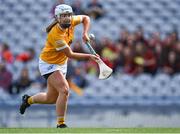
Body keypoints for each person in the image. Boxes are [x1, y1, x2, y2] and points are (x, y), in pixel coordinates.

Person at [19, 4, 99, 128]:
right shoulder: (55, 35)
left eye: (68, 15)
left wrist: (85, 33)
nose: (67, 18)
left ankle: (28, 100)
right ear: (57, 18)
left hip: (62, 63)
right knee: (65, 90)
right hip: (49, 64)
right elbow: (70, 54)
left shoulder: (71, 21)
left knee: (50, 99)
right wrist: (89, 56)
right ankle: (61, 124)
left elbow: (85, 18)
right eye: (63, 16)